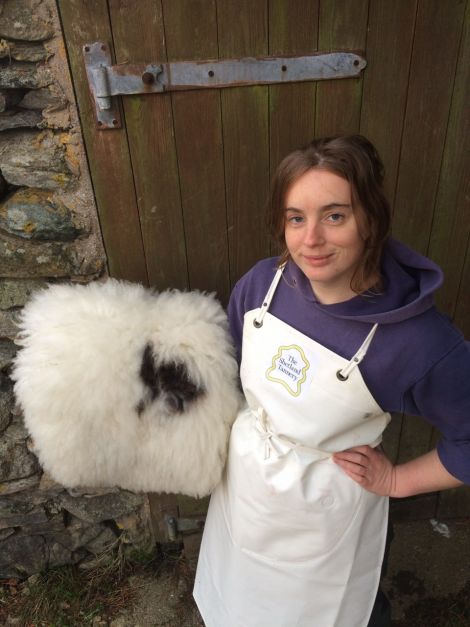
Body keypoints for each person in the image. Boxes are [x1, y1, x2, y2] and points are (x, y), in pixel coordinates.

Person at [193, 135, 470, 627]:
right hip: (246, 491)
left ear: (371, 219)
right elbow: (224, 369)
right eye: (296, 218)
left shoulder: (419, 341)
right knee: (240, 601)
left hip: (326, 521)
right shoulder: (263, 283)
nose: (311, 239)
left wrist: (398, 479)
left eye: (335, 215)